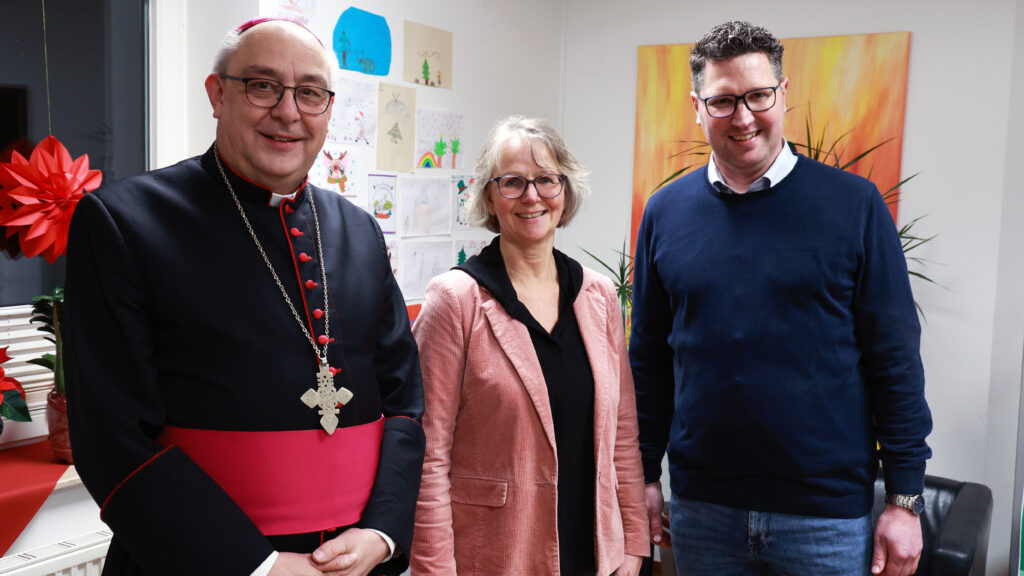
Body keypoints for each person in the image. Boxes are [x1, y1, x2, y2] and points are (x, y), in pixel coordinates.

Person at [64, 18, 424, 576]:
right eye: (262, 86)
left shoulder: (359, 230)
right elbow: (111, 435)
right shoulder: (125, 222)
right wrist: (256, 565)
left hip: (355, 562)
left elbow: (404, 400)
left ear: (328, 108)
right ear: (217, 94)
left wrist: (381, 531)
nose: (288, 112)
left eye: (310, 93)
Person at [629, 21, 933, 576]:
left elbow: (895, 359)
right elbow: (647, 360)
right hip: (702, 512)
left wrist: (904, 499)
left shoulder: (856, 206)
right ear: (697, 106)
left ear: (783, 93)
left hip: (826, 520)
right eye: (723, 101)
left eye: (757, 96)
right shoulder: (664, 212)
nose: (742, 117)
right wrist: (645, 476)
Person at [409, 116, 649, 576]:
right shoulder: (456, 300)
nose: (532, 196)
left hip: (596, 554)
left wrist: (633, 544)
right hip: (498, 556)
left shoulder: (598, 297)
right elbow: (427, 455)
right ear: (490, 198)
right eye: (514, 182)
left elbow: (622, 436)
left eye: (546, 180)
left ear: (566, 191)